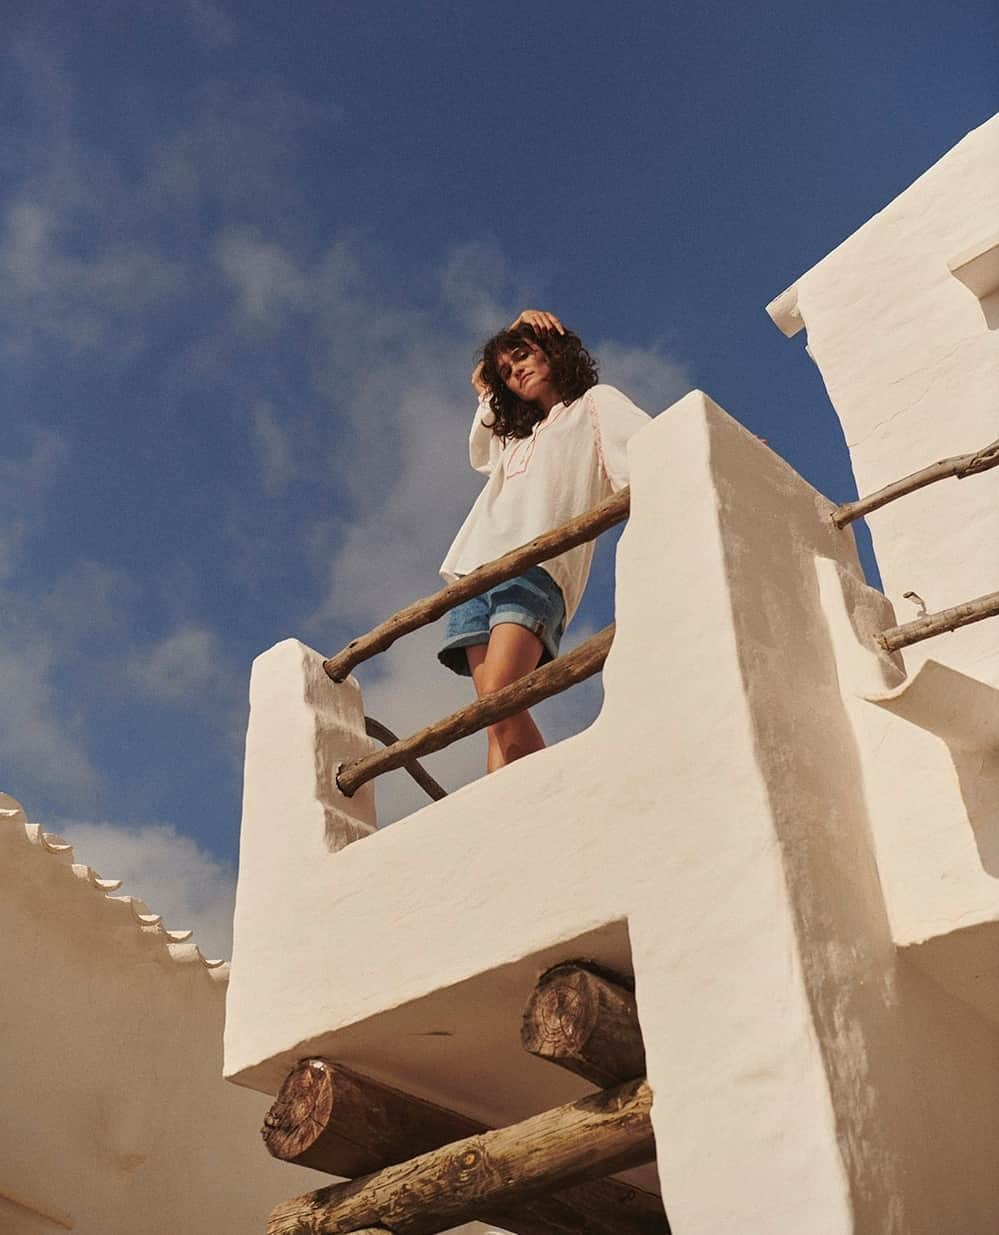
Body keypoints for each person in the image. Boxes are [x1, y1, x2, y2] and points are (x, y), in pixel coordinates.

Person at [439, 309, 651, 772]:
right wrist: (510, 337)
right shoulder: (514, 440)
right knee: (491, 718)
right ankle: (509, 822)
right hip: (472, 575)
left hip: (536, 571)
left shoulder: (594, 405)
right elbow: (482, 385)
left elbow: (649, 447)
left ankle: (560, 800)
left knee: (499, 698)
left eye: (522, 355)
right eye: (507, 371)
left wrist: (707, 444)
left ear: (552, 351)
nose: (514, 371)